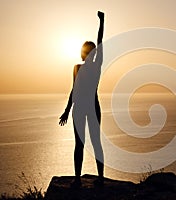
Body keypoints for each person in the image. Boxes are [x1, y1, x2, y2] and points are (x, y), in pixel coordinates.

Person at [59, 11, 105, 188]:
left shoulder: (96, 66)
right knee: (79, 143)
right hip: (79, 108)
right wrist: (66, 110)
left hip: (92, 107)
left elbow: (101, 42)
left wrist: (102, 22)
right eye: (88, 51)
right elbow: (73, 90)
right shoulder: (76, 68)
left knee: (95, 142)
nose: (91, 53)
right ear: (83, 53)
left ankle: (100, 177)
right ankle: (77, 178)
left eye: (92, 51)